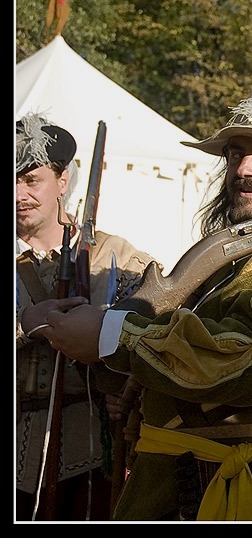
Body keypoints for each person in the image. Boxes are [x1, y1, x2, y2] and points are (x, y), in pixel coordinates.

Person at [31, 81, 252, 521]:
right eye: (236, 154)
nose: (243, 168)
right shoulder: (241, 250)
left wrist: (113, 336)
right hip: (184, 483)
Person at [15, 113, 156, 521]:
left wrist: (126, 388)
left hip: (92, 455)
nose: (19, 193)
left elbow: (157, 330)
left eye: (31, 180)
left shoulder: (117, 256)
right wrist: (25, 323)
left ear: (62, 181)